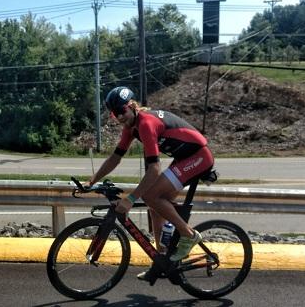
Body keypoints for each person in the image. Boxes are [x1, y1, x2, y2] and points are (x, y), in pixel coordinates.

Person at [88, 86, 215, 280]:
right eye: (115, 114)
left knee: (151, 196)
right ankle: (161, 259)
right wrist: (92, 180)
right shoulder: (130, 127)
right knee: (155, 207)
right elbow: (115, 157)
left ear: (131, 106)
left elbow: (154, 169)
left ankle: (189, 235)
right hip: (184, 157)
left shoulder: (146, 124)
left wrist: (130, 199)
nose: (119, 117)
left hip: (199, 156)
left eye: (121, 111)